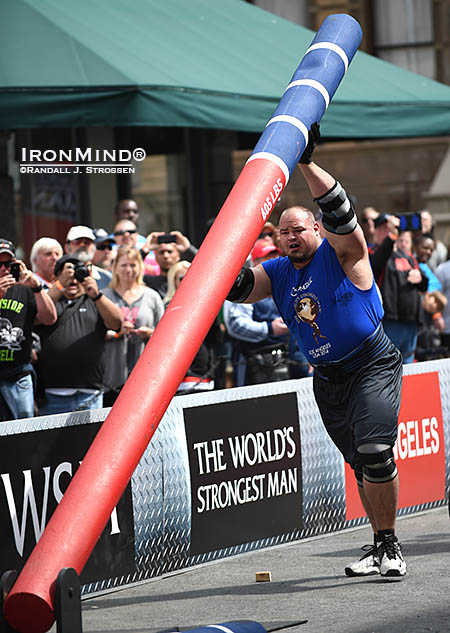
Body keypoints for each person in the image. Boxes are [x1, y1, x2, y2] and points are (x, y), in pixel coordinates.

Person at [226, 124, 406, 578]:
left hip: (371, 363)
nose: (290, 237)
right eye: (283, 232)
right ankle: (378, 545)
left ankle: (391, 547)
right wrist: (217, 251)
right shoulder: (279, 270)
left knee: (375, 450)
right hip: (327, 378)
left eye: (298, 229)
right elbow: (239, 288)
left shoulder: (343, 253)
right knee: (359, 463)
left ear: (316, 230)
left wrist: (305, 161)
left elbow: (342, 214)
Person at [36, 254, 123, 415]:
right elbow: (36, 316)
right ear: (56, 277)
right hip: (52, 396)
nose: (73, 281)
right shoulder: (50, 302)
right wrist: (60, 285)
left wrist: (95, 294)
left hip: (89, 394)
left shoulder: (96, 301)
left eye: (78, 275)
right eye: (66, 275)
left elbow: (117, 323)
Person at [0, 238, 57, 421]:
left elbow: (49, 318)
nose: (4, 269)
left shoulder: (24, 288)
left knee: (24, 427)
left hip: (19, 372)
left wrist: (37, 287)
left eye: (9, 264)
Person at [102, 246, 164, 406]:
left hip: (145, 376)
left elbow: (165, 334)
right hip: (111, 378)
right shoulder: (104, 297)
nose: (128, 270)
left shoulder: (152, 296)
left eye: (132, 265)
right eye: (123, 265)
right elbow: (93, 334)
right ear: (115, 267)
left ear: (140, 267)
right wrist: (115, 333)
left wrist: (150, 333)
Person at [163, 260, 221, 394]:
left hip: (205, 373)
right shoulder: (168, 308)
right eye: (182, 278)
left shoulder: (208, 304)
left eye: (191, 276)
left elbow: (217, 338)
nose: (187, 281)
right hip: (178, 376)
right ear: (174, 281)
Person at [380, 229, 428, 363]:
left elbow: (425, 285)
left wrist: (420, 278)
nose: (403, 244)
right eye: (400, 240)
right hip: (392, 321)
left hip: (411, 322)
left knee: (408, 360)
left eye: (406, 241)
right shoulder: (387, 258)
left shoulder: (413, 260)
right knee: (390, 361)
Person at [144, 231, 198, 299]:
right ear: (155, 256)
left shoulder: (188, 278)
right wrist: (146, 248)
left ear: (178, 255)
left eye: (170, 252)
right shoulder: (149, 281)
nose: (166, 256)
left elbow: (209, 267)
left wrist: (188, 248)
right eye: (161, 252)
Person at [65, 225, 111, 290]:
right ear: (67, 247)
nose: (82, 245)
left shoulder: (106, 278)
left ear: (94, 247)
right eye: (77, 241)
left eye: (87, 242)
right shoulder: (57, 275)